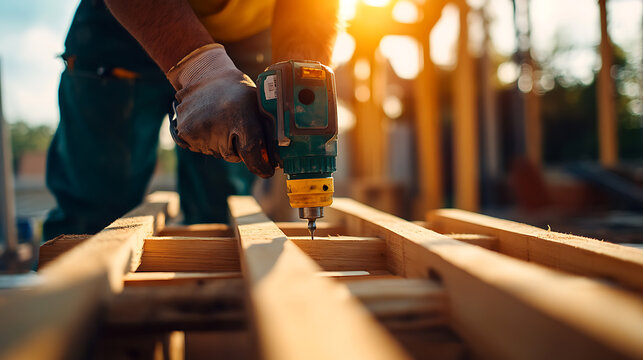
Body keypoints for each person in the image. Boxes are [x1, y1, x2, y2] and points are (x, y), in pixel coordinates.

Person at [43, 0, 339, 240]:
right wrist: (201, 69)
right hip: (127, 23)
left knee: (219, 214)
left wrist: (299, 77)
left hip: (248, 35)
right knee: (93, 217)